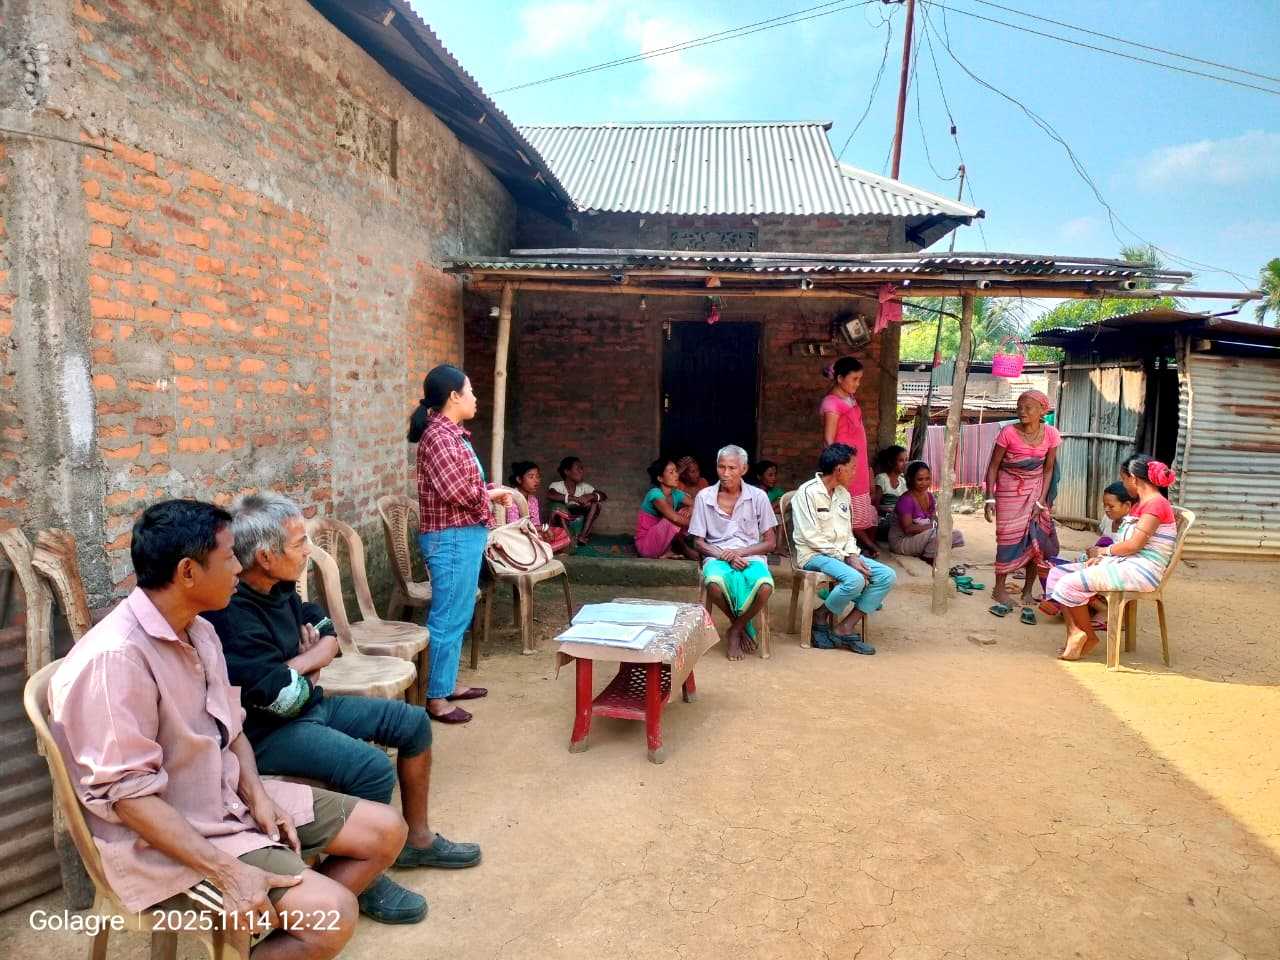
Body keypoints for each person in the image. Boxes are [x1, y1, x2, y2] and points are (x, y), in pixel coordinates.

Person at [48, 500, 410, 957]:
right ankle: (294, 920)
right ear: (187, 572)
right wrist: (228, 871)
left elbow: (231, 729)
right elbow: (131, 800)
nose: (240, 567)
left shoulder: (198, 629)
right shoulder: (115, 660)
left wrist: (258, 794)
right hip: (167, 840)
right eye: (228, 557)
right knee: (334, 915)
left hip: (225, 801)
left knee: (386, 832)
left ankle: (267, 933)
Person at [204, 492, 482, 925]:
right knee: (371, 768)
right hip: (265, 734)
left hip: (306, 707)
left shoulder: (277, 585)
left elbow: (327, 631)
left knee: (411, 724)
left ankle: (417, 840)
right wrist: (307, 669)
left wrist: (301, 665)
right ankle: (364, 877)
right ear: (265, 555)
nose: (306, 552)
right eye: (298, 544)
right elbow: (282, 698)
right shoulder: (233, 612)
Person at [408, 364, 508, 724]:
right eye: (470, 391)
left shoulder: (452, 434)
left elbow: (464, 486)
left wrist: (487, 492)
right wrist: (490, 494)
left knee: (459, 612)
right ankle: (435, 698)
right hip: (450, 539)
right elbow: (456, 491)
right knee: (448, 616)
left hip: (461, 536)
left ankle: (444, 683)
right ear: (454, 396)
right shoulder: (439, 437)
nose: (475, 397)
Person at [1046, 456, 1180, 661]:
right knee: (1059, 573)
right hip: (1128, 563)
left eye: (1123, 479)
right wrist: (1105, 559)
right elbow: (1128, 546)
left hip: (1142, 571)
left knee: (1069, 583)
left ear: (1133, 478)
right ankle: (1076, 633)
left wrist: (1104, 553)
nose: (1124, 484)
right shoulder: (1144, 503)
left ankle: (1084, 635)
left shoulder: (1155, 505)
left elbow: (1134, 545)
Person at [792, 444, 897, 654]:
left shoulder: (843, 494)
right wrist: (845, 558)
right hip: (813, 555)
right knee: (855, 579)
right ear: (839, 469)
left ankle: (844, 627)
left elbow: (848, 534)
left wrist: (852, 554)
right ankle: (821, 617)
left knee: (887, 575)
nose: (855, 473)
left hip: (842, 556)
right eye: (852, 468)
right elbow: (810, 537)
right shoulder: (806, 492)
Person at [688, 445, 778, 661]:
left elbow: (770, 542)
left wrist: (740, 552)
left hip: (751, 555)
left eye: (732, 468)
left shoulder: (758, 497)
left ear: (744, 469)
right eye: (721, 467)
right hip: (716, 555)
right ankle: (740, 625)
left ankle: (735, 629)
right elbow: (698, 542)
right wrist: (724, 555)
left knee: (765, 588)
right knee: (714, 585)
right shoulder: (704, 496)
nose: (725, 473)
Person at [983, 389, 1061, 622]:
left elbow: (1048, 469)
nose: (1022, 411)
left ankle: (1028, 589)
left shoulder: (1051, 435)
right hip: (1008, 490)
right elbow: (993, 466)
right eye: (1019, 406)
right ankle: (999, 587)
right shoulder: (1007, 433)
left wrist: (1041, 500)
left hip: (1036, 489)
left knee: (1035, 539)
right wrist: (989, 497)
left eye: (1028, 407)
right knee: (1007, 538)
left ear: (1042, 411)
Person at [1039, 481, 1136, 622]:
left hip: (1112, 566)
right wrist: (1090, 554)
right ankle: (1064, 603)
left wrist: (1100, 553)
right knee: (1046, 567)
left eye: (1111, 506)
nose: (1107, 510)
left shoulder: (1133, 527)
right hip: (1098, 560)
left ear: (1127, 506)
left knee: (1070, 574)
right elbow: (1100, 545)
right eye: (1105, 506)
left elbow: (1122, 551)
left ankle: (1082, 606)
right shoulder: (1108, 520)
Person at [819, 357, 879, 557]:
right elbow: (829, 440)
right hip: (843, 465)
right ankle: (847, 551)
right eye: (854, 379)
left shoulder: (849, 399)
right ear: (839, 378)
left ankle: (853, 550)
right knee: (842, 509)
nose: (857, 384)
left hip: (856, 463)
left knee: (854, 512)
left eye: (859, 379)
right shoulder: (832, 403)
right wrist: (840, 466)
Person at [888, 460, 965, 564]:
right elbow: (908, 528)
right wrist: (934, 526)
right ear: (910, 479)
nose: (924, 483)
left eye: (927, 479)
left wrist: (938, 524)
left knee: (956, 534)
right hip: (902, 541)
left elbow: (934, 518)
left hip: (922, 536)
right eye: (920, 479)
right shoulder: (906, 500)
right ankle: (928, 559)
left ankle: (929, 551)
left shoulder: (930, 497)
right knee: (937, 535)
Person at [635, 458, 698, 559]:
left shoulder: (676, 493)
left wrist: (691, 508)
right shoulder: (655, 494)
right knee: (675, 519)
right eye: (671, 472)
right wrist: (698, 524)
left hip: (661, 542)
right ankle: (682, 548)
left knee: (685, 512)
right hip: (646, 545)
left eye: (676, 471)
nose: (676, 475)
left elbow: (698, 504)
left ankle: (667, 551)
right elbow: (675, 518)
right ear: (660, 478)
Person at [505, 461, 571, 554]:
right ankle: (543, 551)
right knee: (540, 538)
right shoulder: (511, 498)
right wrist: (543, 529)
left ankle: (542, 551)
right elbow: (514, 527)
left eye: (538, 476)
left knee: (561, 532)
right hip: (515, 536)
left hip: (530, 533)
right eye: (531, 477)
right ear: (519, 479)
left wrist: (543, 531)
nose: (536, 481)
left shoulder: (533, 500)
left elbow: (535, 524)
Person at [547, 456, 607, 546]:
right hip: (563, 518)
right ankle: (568, 538)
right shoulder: (557, 485)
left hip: (576, 515)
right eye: (578, 468)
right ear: (567, 472)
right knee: (557, 506)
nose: (581, 471)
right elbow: (551, 495)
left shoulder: (584, 486)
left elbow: (603, 496)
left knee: (596, 504)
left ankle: (582, 537)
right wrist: (574, 498)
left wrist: (590, 496)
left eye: (582, 469)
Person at [872, 445, 908, 540]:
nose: (905, 463)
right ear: (891, 462)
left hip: (898, 520)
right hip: (883, 520)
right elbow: (875, 506)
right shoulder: (882, 479)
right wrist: (889, 511)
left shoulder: (903, 481)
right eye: (901, 460)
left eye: (906, 460)